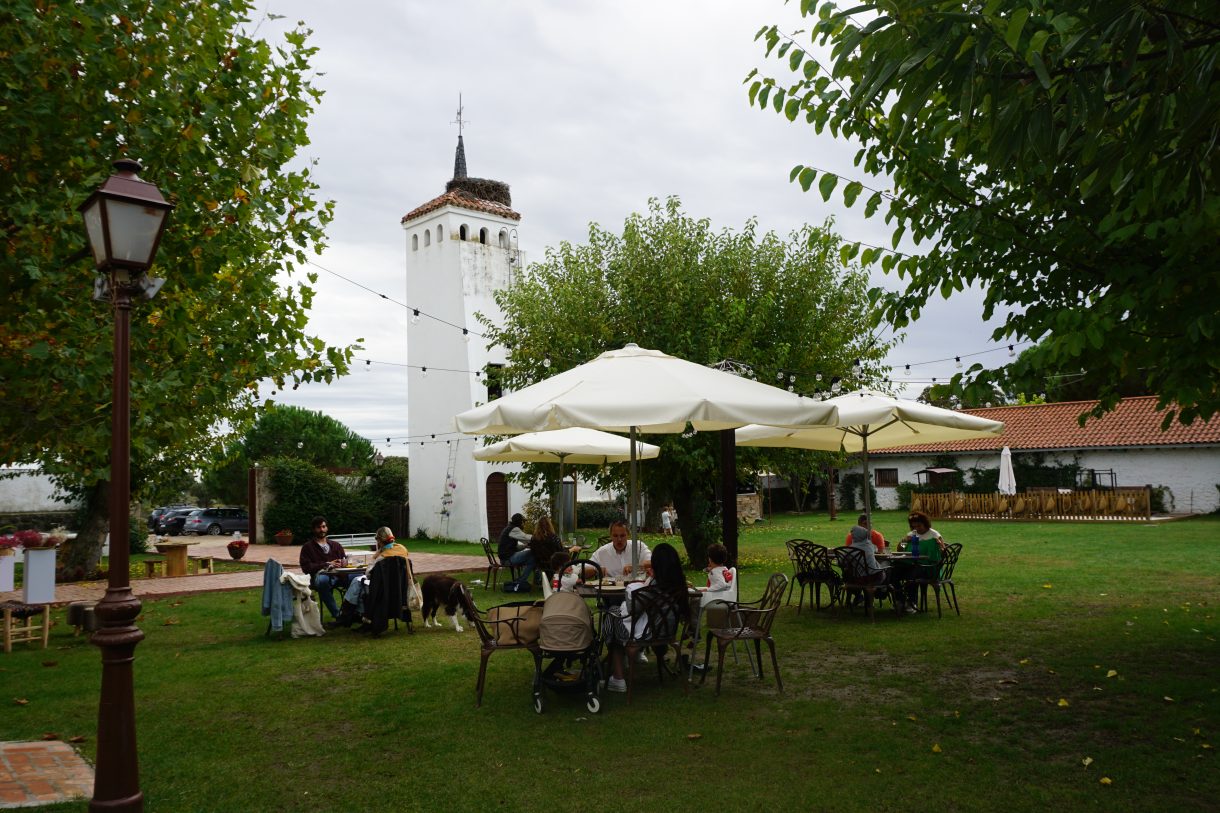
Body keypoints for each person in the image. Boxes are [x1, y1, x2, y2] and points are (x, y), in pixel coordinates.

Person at [605, 542, 688, 693]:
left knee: (611, 616)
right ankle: (636, 657)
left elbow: (633, 609)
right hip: (667, 631)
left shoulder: (653, 587)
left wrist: (641, 585)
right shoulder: (680, 585)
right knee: (615, 615)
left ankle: (618, 677)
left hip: (648, 632)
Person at [298, 516, 348, 621]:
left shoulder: (336, 545)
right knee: (323, 581)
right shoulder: (307, 547)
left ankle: (356, 613)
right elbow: (306, 567)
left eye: (324, 526)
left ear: (327, 528)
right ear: (313, 529)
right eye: (318, 527)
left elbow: (345, 560)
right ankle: (338, 615)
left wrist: (342, 563)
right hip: (320, 576)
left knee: (359, 578)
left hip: (339, 576)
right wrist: (326, 564)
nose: (322, 530)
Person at [899, 510, 947, 612]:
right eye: (914, 527)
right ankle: (900, 600)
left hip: (930, 567)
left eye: (919, 526)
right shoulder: (912, 534)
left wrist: (940, 546)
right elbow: (900, 549)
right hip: (913, 564)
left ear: (925, 524)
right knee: (894, 570)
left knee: (912, 575)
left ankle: (912, 603)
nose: (916, 529)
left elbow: (944, 552)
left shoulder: (934, 534)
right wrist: (904, 541)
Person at [498, 513, 533, 587]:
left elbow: (514, 547)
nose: (523, 524)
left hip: (505, 558)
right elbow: (526, 537)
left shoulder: (509, 528)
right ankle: (521, 581)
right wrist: (538, 536)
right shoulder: (514, 529)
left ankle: (521, 580)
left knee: (531, 559)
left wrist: (525, 546)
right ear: (519, 522)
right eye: (523, 522)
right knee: (533, 555)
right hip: (508, 559)